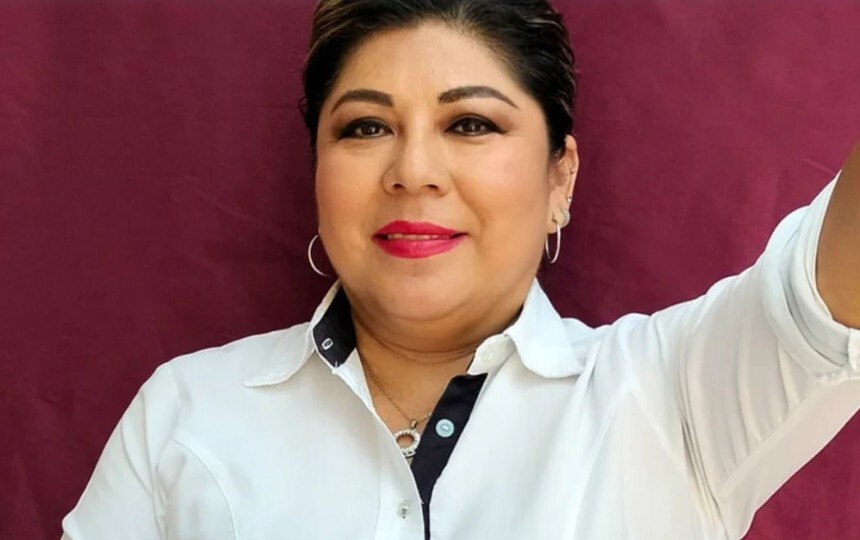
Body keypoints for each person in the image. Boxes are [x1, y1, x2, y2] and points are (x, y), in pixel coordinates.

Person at [61, 0, 860, 538]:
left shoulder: (673, 395)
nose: (413, 171)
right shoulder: (187, 415)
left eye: (471, 123)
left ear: (560, 179)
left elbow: (822, 302)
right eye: (365, 127)